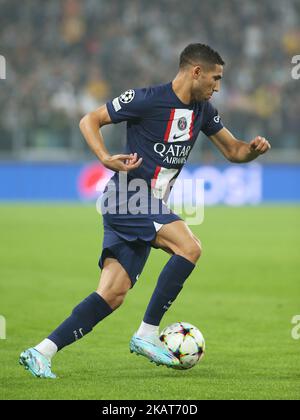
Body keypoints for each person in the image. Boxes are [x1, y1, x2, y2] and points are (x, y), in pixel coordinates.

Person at [19, 43, 271, 378]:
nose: (218, 86)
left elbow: (234, 151)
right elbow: (89, 120)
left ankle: (40, 351)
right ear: (196, 72)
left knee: (112, 294)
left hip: (144, 205)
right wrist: (105, 157)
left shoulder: (203, 110)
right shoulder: (147, 99)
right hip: (129, 197)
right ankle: (147, 333)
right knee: (190, 247)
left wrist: (253, 150)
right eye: (215, 78)